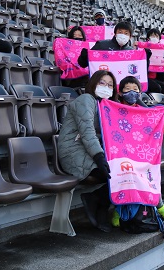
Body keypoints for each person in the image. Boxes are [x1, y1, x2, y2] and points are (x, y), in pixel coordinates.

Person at [57, 70, 118, 232]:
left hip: (89, 149)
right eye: (102, 83)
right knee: (114, 174)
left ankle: (96, 199)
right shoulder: (85, 99)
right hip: (73, 151)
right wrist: (99, 157)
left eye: (110, 85)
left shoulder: (106, 105)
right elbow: (87, 132)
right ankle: (98, 203)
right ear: (93, 84)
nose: (106, 87)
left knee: (124, 170)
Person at [110, 76, 164, 227]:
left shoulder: (145, 111)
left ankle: (158, 204)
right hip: (121, 154)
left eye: (135, 89)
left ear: (140, 93)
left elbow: (156, 130)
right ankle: (118, 210)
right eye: (127, 89)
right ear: (120, 92)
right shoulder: (114, 108)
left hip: (142, 153)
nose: (132, 92)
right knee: (125, 175)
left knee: (149, 173)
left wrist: (162, 117)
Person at [145, 28, 164, 95]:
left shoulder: (161, 51)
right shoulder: (144, 49)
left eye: (156, 36)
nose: (154, 38)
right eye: (152, 36)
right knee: (157, 88)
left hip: (156, 78)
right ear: (148, 38)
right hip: (146, 78)